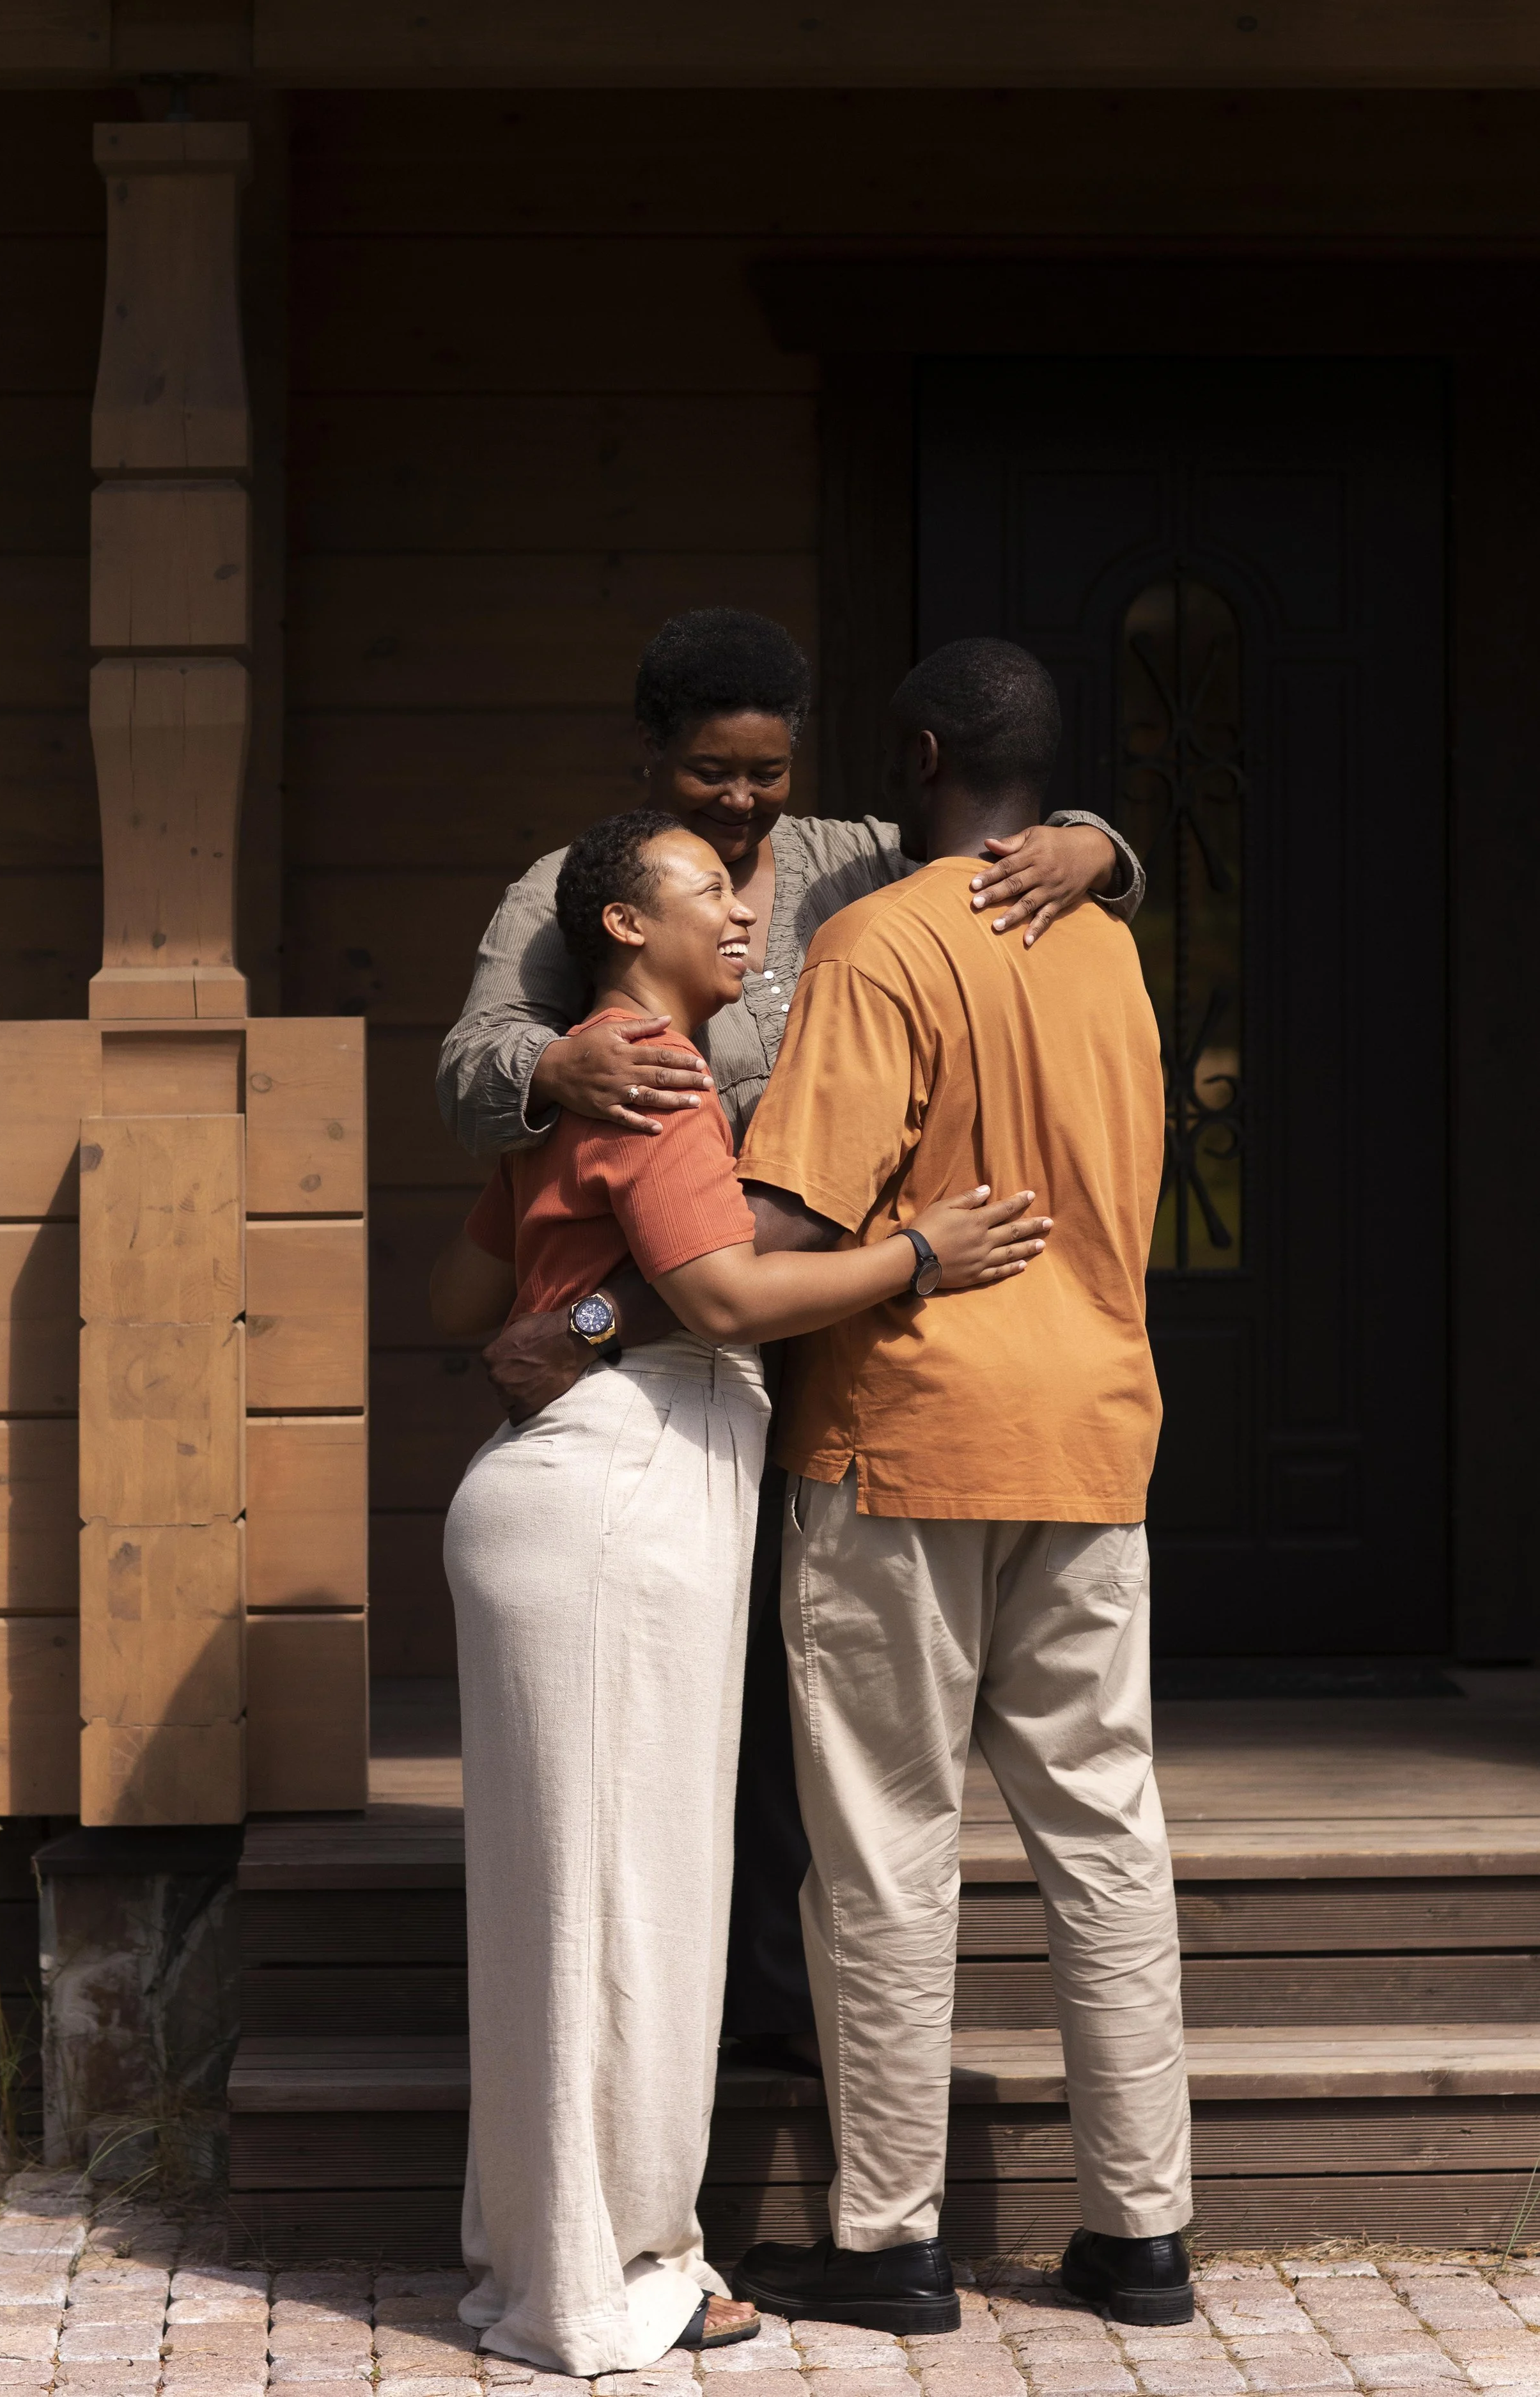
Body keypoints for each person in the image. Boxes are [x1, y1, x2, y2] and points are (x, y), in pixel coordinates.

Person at [437, 608, 1144, 2065]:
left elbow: (990, 829)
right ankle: (674, 2026)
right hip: (670, 1341)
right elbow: (470, 1078)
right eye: (709, 772)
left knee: (796, 1707)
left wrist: (1096, 845)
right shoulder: (592, 896)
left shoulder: (853, 864)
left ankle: (775, 2012)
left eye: (766, 771)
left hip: (825, 1343)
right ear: (650, 757)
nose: (745, 802)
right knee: (696, 1707)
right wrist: (547, 1061)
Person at [431, 806, 1052, 2378]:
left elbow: (467, 1294)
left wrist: (570, 1282)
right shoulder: (652, 1068)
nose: (744, 903)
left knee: (568, 1909)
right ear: (624, 925)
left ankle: (556, 2255)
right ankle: (603, 2278)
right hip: (618, 1496)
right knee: (624, 1906)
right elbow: (717, 1295)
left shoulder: (589, 1071)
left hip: (574, 1482)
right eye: (707, 886)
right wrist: (920, 1252)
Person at [727, 638, 1192, 2335]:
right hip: (1092, 1433)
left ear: (915, 753)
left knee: (882, 1842)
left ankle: (886, 2238)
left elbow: (786, 1220)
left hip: (904, 1435)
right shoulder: (1114, 951)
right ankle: (1140, 2235)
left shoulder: (874, 943)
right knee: (1104, 1830)